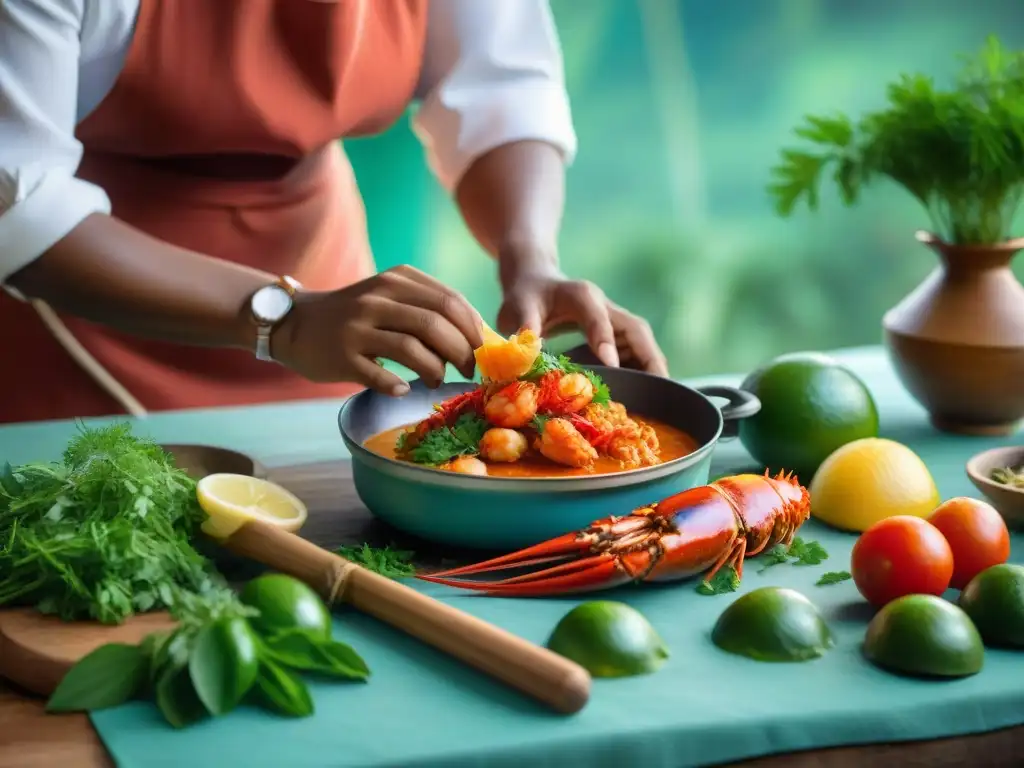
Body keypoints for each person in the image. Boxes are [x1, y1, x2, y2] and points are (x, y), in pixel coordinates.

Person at [0, 0, 669, 425]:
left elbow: (501, 84)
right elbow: (18, 195)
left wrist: (529, 257)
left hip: (327, 280)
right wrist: (286, 318)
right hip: (87, 317)